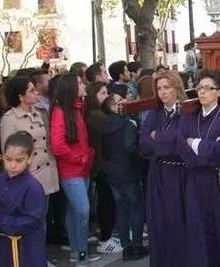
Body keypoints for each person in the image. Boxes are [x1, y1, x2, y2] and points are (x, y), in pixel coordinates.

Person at [140, 70, 207, 267]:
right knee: (160, 223)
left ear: (177, 88)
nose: (163, 92)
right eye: (159, 88)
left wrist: (158, 138)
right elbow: (144, 144)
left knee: (182, 223)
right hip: (158, 174)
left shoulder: (188, 112)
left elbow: (182, 144)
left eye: (167, 87)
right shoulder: (154, 114)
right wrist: (167, 141)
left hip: (181, 174)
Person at [181, 69, 220, 267]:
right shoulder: (190, 117)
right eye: (200, 88)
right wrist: (210, 147)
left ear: (219, 92)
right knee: (198, 229)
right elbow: (182, 147)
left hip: (219, 181)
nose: (202, 92)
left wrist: (196, 144)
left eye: (208, 88)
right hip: (195, 180)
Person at [50, 74, 98, 266]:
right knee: (82, 210)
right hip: (72, 170)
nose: (83, 85)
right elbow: (58, 145)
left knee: (75, 211)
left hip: (82, 168)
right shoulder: (60, 112)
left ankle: (77, 251)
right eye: (79, 83)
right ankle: (80, 253)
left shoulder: (76, 108)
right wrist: (79, 158)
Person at [0, 131, 48, 267]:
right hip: (2, 249)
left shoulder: (33, 187)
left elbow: (31, 221)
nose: (12, 165)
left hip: (25, 252)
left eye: (19, 160)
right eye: (8, 159)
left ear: (29, 159)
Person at [101, 94, 147, 261]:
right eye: (120, 101)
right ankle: (137, 246)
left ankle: (126, 247)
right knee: (136, 208)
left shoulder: (106, 124)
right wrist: (140, 159)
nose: (125, 101)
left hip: (113, 172)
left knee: (121, 209)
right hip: (129, 172)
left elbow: (105, 150)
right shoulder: (128, 124)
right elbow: (130, 147)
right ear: (114, 107)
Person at [84, 82, 120, 254]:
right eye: (102, 93)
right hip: (101, 165)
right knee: (106, 201)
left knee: (108, 200)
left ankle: (107, 235)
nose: (106, 97)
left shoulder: (99, 114)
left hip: (103, 163)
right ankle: (105, 238)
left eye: (107, 93)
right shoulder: (96, 116)